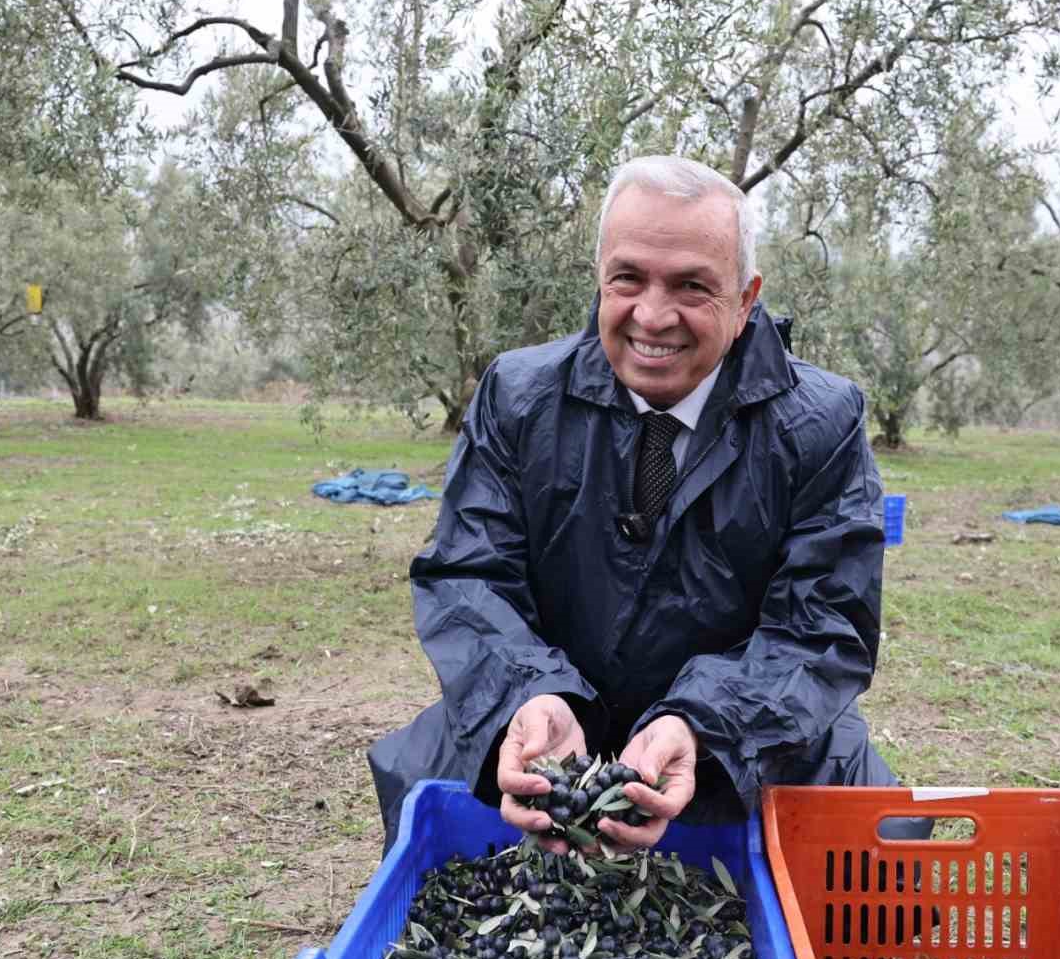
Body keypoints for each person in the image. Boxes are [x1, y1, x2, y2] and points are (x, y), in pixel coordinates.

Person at [368, 155, 912, 852]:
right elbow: (468, 578)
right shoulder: (518, 396)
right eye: (628, 279)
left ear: (746, 300)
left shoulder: (821, 422)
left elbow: (822, 628)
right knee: (434, 812)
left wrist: (698, 724)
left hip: (741, 736)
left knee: (879, 862)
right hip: (548, 726)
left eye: (692, 287)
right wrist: (531, 699)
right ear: (600, 280)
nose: (653, 316)